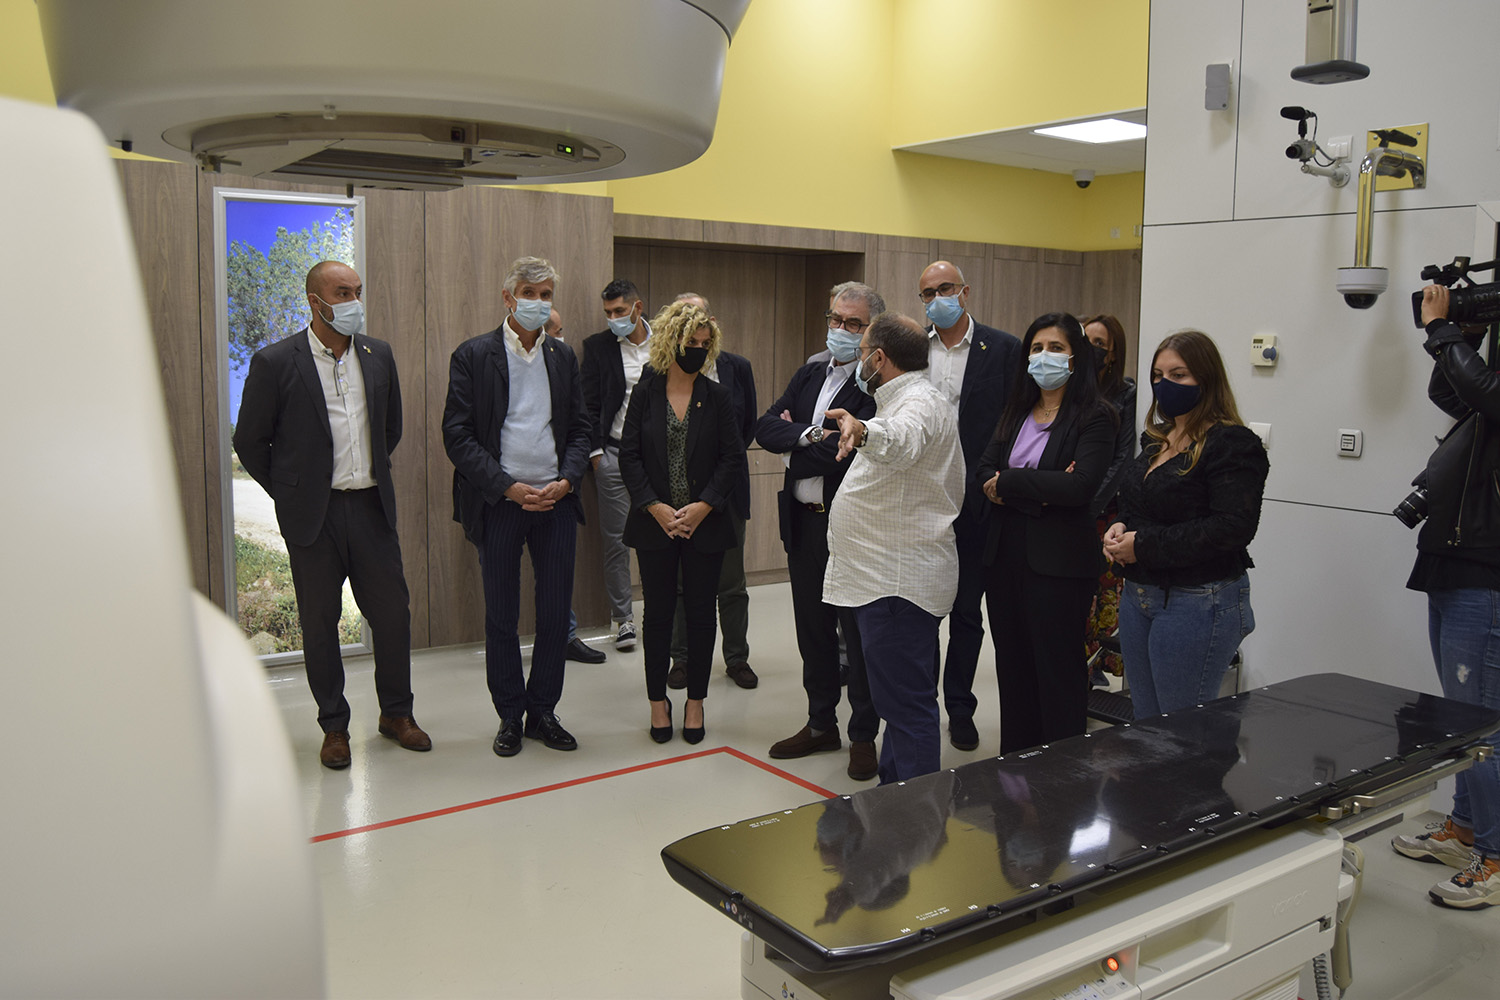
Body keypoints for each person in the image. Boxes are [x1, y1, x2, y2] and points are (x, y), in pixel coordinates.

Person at [233, 260, 428, 770]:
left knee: (393, 616)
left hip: (371, 508)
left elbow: (391, 428)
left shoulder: (378, 355)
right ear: (314, 301)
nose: (353, 302)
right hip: (312, 519)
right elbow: (250, 441)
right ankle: (334, 726)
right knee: (320, 623)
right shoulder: (276, 361)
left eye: (357, 291)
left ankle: (397, 714)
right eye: (342, 293)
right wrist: (291, 492)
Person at [443, 256, 592, 758]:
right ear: (508, 298)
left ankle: (543, 711)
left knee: (554, 614)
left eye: (546, 294)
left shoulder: (562, 357)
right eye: (529, 293)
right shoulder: (473, 355)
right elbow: (457, 435)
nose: (538, 303)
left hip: (555, 503)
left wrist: (567, 481)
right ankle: (510, 714)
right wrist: (506, 486)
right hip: (499, 503)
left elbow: (580, 430)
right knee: (501, 615)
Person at [1389, 283, 1500, 909]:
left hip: (1487, 572)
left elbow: (1484, 392)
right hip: (1456, 562)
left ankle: (1496, 856)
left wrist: (1441, 330)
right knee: (1465, 718)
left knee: (1484, 724)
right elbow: (1450, 392)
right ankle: (1465, 829)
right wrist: (1468, 333)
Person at [824, 312, 964, 784]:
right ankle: (896, 804)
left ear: (879, 358)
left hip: (897, 586)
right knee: (898, 706)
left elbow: (902, 441)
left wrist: (864, 431)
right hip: (886, 582)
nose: (859, 359)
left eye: (863, 351)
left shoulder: (917, 403)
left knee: (907, 709)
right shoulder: (903, 399)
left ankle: (916, 816)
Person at [1102, 330, 1268, 718]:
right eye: (1158, 376)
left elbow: (1232, 527)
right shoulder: (1158, 438)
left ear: (1206, 379)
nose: (1165, 385)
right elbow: (1141, 502)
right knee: (1147, 724)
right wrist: (1121, 526)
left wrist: (1141, 545)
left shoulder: (1232, 443)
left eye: (1178, 375)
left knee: (1183, 732)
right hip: (1139, 595)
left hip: (1196, 601)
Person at [757, 282, 882, 781]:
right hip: (803, 523)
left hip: (847, 527)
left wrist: (796, 447)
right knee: (813, 631)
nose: (841, 329)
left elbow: (848, 455)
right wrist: (810, 435)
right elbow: (766, 426)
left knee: (856, 633)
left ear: (871, 330)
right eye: (835, 319)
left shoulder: (876, 387)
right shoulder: (810, 372)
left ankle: (862, 735)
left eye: (853, 323)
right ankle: (820, 723)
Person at [975, 313, 1116, 754]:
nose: (1044, 356)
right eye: (1036, 348)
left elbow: (1079, 487)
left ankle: (1061, 776)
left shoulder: (1095, 416)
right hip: (1004, 558)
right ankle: (1016, 770)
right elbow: (983, 471)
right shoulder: (1016, 410)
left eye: (1055, 348)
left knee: (1056, 675)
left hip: (1059, 565)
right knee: (1013, 670)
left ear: (1076, 357)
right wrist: (1043, 487)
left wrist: (1011, 482)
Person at [619, 300, 745, 744]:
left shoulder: (717, 396)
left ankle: (695, 702)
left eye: (704, 344)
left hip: (703, 524)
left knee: (700, 614)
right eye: (691, 341)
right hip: (654, 523)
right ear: (671, 341)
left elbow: (732, 458)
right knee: (656, 615)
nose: (697, 350)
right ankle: (658, 702)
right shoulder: (646, 391)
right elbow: (629, 456)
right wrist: (653, 506)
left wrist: (704, 505)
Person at [917, 260, 1022, 752]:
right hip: (920, 501)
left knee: (965, 613)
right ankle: (919, 706)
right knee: (920, 613)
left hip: (976, 501)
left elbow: (1013, 420)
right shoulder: (913, 350)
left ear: (965, 291)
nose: (938, 298)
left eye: (946, 288)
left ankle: (960, 708)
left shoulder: (1002, 349)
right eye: (928, 293)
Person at [667, 292, 759, 691]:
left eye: (701, 317)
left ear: (713, 322)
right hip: (678, 495)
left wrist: (717, 480)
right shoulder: (662, 371)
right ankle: (682, 659)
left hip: (727, 494)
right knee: (681, 584)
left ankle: (737, 658)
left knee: (732, 584)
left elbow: (747, 426)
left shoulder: (737, 367)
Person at [581, 279, 652, 652]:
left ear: (637, 307)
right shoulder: (598, 347)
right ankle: (623, 619)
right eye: (608, 313)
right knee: (616, 542)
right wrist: (595, 455)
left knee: (661, 538)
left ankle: (658, 613)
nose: (613, 319)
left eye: (620, 311)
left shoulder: (666, 343)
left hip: (656, 459)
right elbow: (588, 404)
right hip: (613, 456)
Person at [545, 306, 608, 664]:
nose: (560, 337)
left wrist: (568, 478)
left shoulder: (564, 364)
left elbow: (579, 427)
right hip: (506, 492)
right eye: (555, 331)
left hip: (559, 487)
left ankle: (564, 637)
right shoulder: (488, 358)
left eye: (560, 330)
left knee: (557, 573)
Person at [1081, 314, 1138, 686]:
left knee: (1103, 592)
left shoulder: (1125, 393)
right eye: (1086, 340)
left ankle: (1096, 666)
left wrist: (1089, 503)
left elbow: (1122, 457)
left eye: (1100, 344)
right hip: (1069, 506)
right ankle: (1076, 668)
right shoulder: (1069, 388)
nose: (1091, 349)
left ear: (1114, 353)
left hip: (1103, 509)